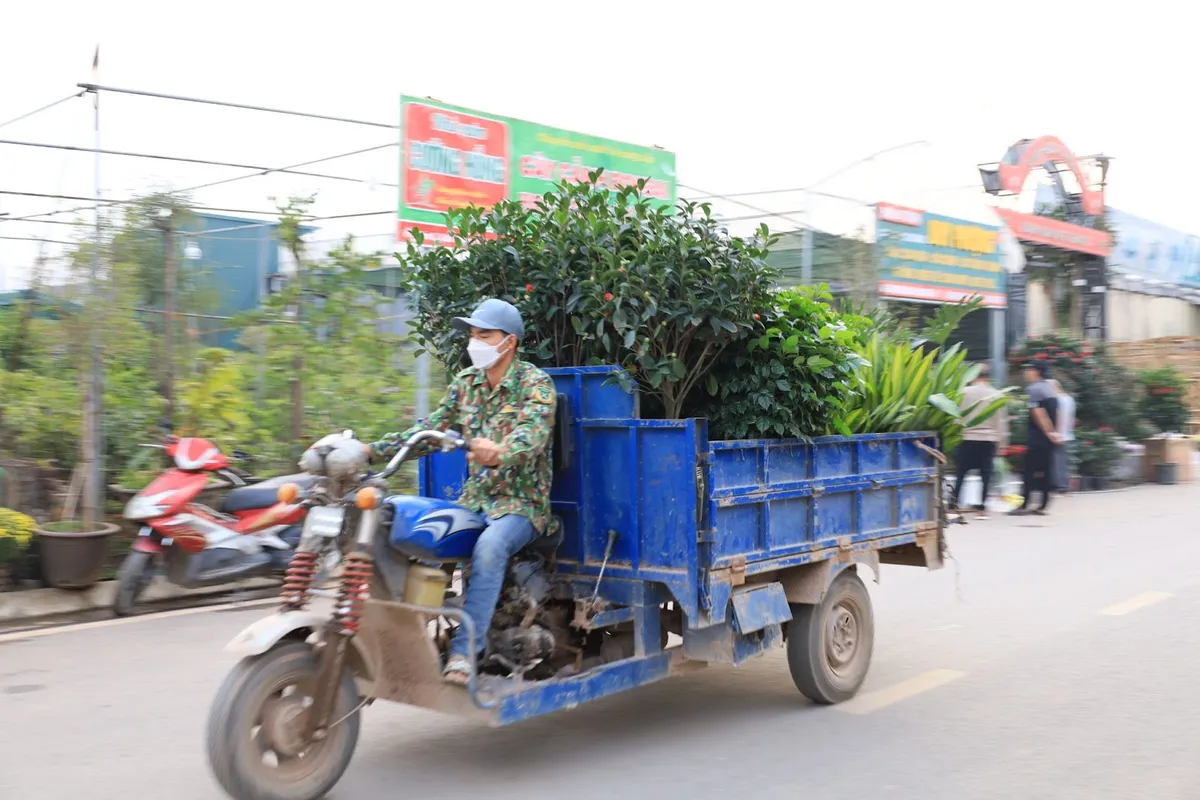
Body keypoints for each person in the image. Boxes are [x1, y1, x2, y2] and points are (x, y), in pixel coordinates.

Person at [366, 298, 557, 685]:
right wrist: (371, 451)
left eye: (484, 334)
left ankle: (464, 652)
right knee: (412, 533)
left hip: (522, 506)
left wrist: (500, 450)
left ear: (510, 342)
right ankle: (402, 641)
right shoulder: (465, 383)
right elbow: (429, 430)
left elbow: (532, 437)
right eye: (472, 334)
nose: (475, 342)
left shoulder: (536, 384)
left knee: (489, 548)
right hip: (475, 500)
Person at [951, 362, 1008, 519]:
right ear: (987, 376)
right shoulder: (996, 394)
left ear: (973, 376)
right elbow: (1001, 422)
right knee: (986, 475)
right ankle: (982, 508)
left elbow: (956, 417)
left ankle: (953, 504)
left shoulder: (963, 392)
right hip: (988, 439)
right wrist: (1002, 443)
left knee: (961, 473)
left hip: (967, 438)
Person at [1011, 359, 1060, 516]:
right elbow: (1057, 413)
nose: (1026, 372)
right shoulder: (1050, 388)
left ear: (1036, 371)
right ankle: (1043, 505)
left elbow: (1039, 414)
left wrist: (1049, 432)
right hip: (1048, 438)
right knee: (1046, 471)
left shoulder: (1034, 389)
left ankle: (1025, 505)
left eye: (1028, 369)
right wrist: (1055, 433)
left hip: (1038, 437)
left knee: (1028, 471)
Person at [1048, 378, 1075, 494]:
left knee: (1056, 461)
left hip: (1059, 434)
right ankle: (1063, 486)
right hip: (1066, 434)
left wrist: (1058, 433)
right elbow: (1071, 418)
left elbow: (1060, 416)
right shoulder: (1069, 399)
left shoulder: (1058, 399)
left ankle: (1060, 487)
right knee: (1062, 461)